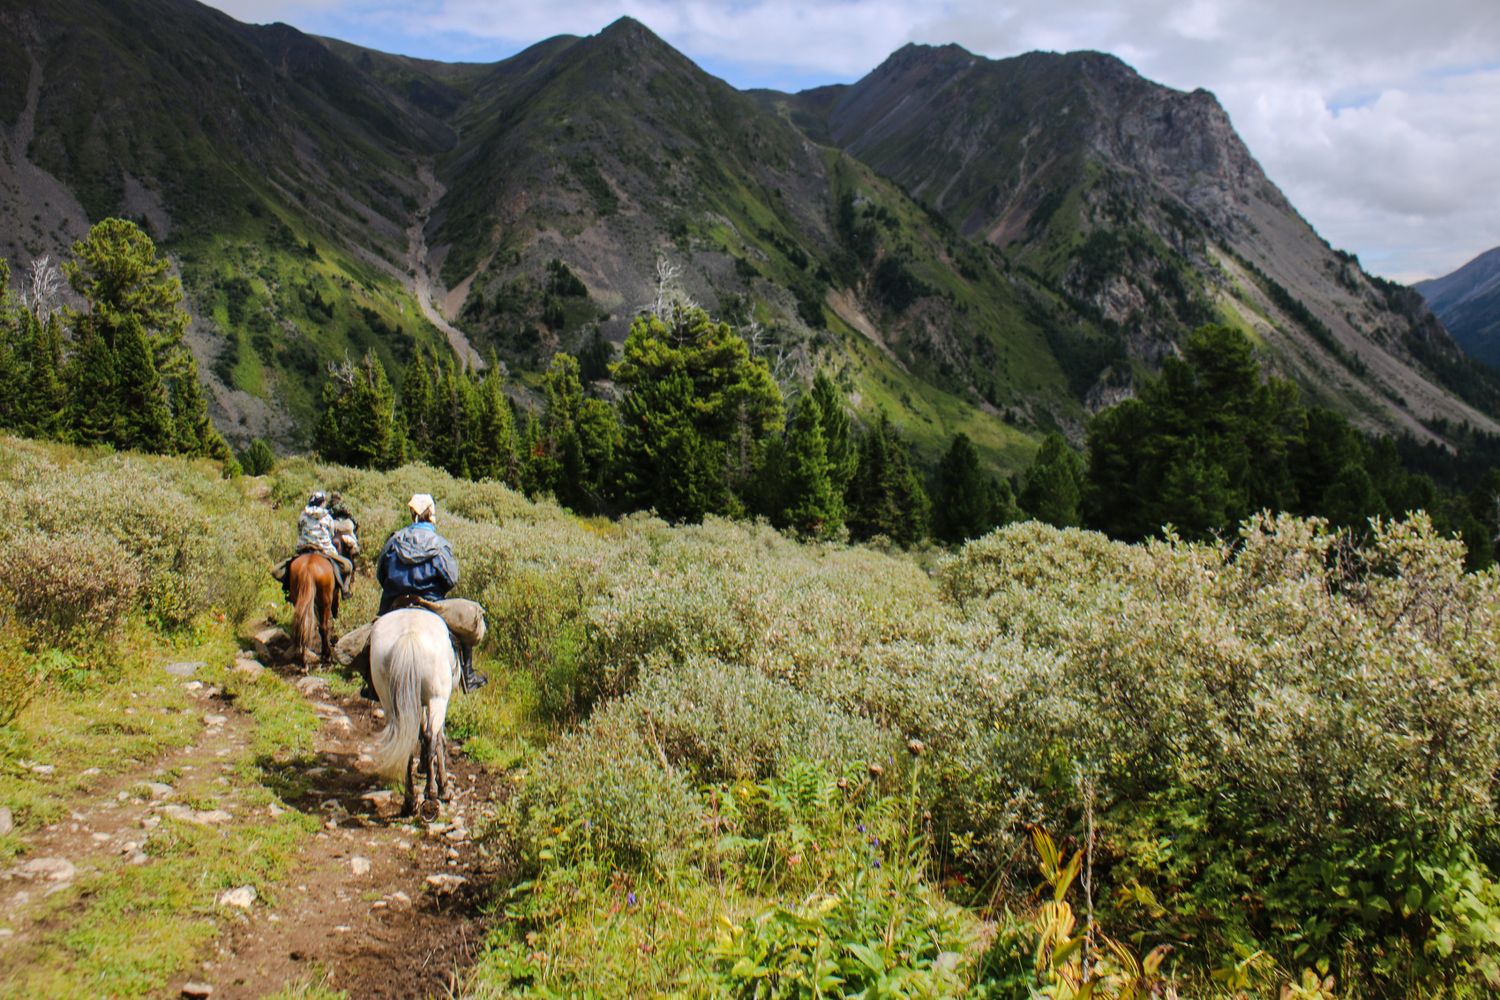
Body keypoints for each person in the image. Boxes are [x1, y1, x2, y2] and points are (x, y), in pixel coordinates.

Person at [374, 493, 488, 693]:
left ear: (413, 514)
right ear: (431, 516)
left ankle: (371, 683)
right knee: (465, 624)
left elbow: (380, 573)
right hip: (430, 602)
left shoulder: (394, 541)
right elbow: (451, 578)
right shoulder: (440, 544)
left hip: (395, 600)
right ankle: (468, 677)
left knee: (373, 633)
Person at [271, 491, 354, 601]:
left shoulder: (303, 515)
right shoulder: (327, 517)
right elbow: (331, 533)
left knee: (277, 570)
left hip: (304, 548)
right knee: (348, 566)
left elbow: (300, 530)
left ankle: (288, 590)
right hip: (323, 549)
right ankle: (344, 590)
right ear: (322, 503)